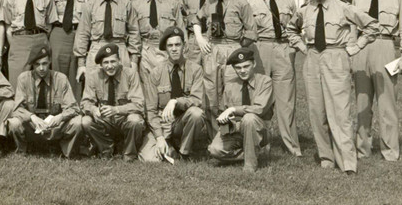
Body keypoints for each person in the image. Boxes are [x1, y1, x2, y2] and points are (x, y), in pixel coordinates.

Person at [297, 0, 380, 174]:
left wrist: (357, 46)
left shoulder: (343, 8)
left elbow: (372, 26)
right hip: (313, 59)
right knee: (317, 111)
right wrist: (302, 47)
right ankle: (326, 157)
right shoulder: (304, 10)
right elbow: (291, 30)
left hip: (336, 58)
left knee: (340, 113)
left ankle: (347, 163)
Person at [350, 0, 402, 162]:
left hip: (386, 46)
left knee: (387, 104)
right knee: (362, 103)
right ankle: (363, 149)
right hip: (362, 49)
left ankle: (390, 151)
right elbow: (352, 31)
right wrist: (351, 56)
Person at [247, 0, 303, 157]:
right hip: (260, 48)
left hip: (283, 49)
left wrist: (293, 48)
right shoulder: (250, 2)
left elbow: (297, 26)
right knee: (261, 97)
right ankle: (262, 143)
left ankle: (292, 147)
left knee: (286, 100)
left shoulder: (287, 0)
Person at [193, 0, 256, 132]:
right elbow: (196, 20)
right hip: (212, 49)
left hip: (233, 49)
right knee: (211, 94)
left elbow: (251, 32)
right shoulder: (210, 2)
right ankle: (214, 136)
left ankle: (235, 134)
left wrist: (237, 50)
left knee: (231, 93)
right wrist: (200, 38)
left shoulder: (241, 3)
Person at [142, 27, 208, 163]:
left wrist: (176, 102)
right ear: (165, 49)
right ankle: (170, 146)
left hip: (182, 122)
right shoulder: (156, 73)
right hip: (163, 122)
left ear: (184, 46)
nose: (174, 49)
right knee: (149, 159)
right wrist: (159, 137)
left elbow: (196, 99)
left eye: (177, 44)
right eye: (170, 45)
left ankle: (184, 152)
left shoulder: (196, 70)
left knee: (197, 113)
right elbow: (151, 110)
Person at [9, 44, 83, 158]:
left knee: (77, 122)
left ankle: (67, 152)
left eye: (44, 63)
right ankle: (22, 151)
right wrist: (32, 117)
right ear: (32, 65)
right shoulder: (23, 79)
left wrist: (60, 117)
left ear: (50, 62)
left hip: (54, 126)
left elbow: (73, 108)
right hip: (33, 126)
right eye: (37, 64)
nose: (41, 68)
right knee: (14, 123)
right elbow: (17, 109)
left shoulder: (61, 79)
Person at [207, 46, 272, 172]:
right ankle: (254, 152)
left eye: (246, 66)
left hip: (260, 129)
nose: (242, 71)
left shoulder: (265, 82)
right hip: (236, 131)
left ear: (254, 64)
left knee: (249, 118)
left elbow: (260, 109)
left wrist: (234, 109)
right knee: (214, 150)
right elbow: (224, 113)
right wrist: (228, 123)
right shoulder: (230, 86)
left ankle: (249, 166)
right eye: (238, 68)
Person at [81, 43, 147, 161]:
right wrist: (93, 109)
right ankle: (106, 150)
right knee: (86, 121)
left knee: (135, 120)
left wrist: (117, 109)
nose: (110, 66)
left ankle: (129, 154)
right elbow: (85, 102)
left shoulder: (131, 74)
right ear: (100, 65)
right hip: (105, 120)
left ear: (119, 61)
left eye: (113, 61)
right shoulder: (93, 76)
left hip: (124, 118)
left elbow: (139, 104)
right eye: (106, 63)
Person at [74, 0, 140, 81]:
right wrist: (81, 65)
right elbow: (83, 34)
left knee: (123, 89)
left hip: (120, 48)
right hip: (97, 47)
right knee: (95, 88)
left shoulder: (126, 4)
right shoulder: (89, 6)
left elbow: (134, 32)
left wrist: (134, 62)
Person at [3, 0, 58, 86]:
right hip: (19, 42)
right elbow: (7, 27)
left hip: (40, 39)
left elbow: (49, 25)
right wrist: (16, 44)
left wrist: (41, 38)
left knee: (41, 81)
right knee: (17, 82)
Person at [130, 0, 187, 86]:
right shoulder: (136, 5)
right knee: (147, 87)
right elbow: (133, 34)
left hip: (167, 51)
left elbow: (182, 31)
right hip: (145, 49)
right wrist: (134, 60)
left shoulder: (173, 4)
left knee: (166, 87)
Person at [46, 0, 90, 95]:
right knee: (57, 71)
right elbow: (47, 17)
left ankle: (76, 109)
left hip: (80, 32)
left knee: (78, 72)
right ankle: (57, 107)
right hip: (59, 32)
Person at [180, 0, 212, 65]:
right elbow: (182, 23)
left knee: (211, 72)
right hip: (192, 40)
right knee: (192, 72)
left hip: (211, 39)